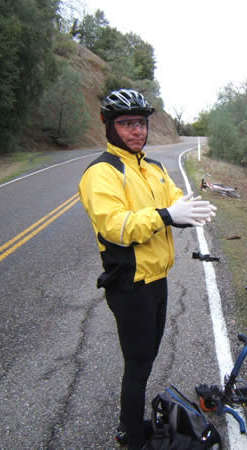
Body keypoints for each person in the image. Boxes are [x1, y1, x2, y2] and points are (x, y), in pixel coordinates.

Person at [78, 88, 216, 449]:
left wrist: (188, 211)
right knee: (138, 362)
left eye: (140, 123)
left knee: (148, 355)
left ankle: (130, 424)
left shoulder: (152, 167)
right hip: (130, 284)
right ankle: (130, 433)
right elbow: (117, 227)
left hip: (158, 279)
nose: (136, 130)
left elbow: (174, 200)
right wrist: (168, 215)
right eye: (126, 124)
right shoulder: (103, 172)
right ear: (109, 126)